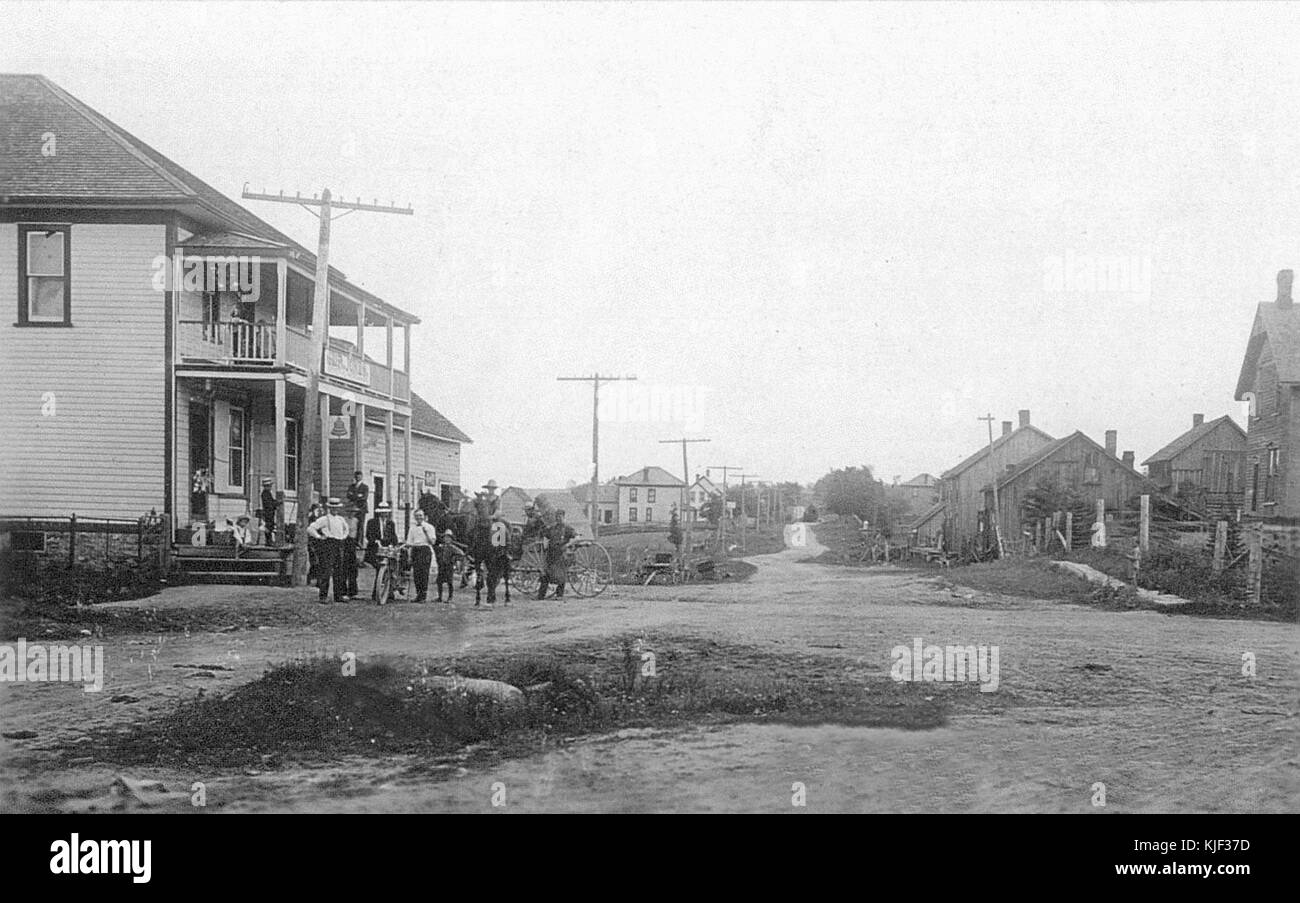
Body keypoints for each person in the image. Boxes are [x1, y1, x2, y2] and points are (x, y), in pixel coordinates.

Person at [307, 498, 351, 603]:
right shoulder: (324, 519)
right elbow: (310, 528)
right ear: (329, 508)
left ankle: (338, 595)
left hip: (339, 544)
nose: (335, 510)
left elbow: (346, 529)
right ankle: (323, 596)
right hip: (328, 545)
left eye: (336, 508)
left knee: (339, 571)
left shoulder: (341, 519)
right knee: (326, 571)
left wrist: (343, 537)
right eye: (332, 508)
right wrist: (319, 536)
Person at [537, 509, 577, 600]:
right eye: (557, 517)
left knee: (560, 575)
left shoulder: (568, 528)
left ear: (564, 517)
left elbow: (577, 537)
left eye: (560, 517)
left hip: (561, 554)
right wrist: (545, 545)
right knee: (545, 574)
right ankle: (540, 596)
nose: (558, 519)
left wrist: (567, 545)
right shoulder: (553, 528)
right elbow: (545, 536)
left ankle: (559, 595)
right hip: (551, 554)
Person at [404, 508, 439, 603]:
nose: (419, 517)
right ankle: (418, 595)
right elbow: (409, 542)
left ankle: (423, 596)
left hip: (425, 550)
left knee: (424, 573)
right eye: (417, 516)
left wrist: (426, 532)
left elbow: (432, 542)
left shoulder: (430, 527)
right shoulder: (412, 528)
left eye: (420, 515)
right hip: (415, 549)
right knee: (416, 573)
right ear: (414, 517)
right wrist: (410, 555)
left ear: (424, 516)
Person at [434, 528, 467, 603]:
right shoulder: (441, 547)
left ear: (451, 539)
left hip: (449, 566)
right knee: (439, 581)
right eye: (445, 537)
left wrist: (454, 558)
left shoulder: (453, 548)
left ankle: (450, 597)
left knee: (450, 582)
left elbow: (462, 554)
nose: (447, 539)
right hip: (442, 566)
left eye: (449, 537)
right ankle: (439, 597)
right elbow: (438, 555)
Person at [346, 471, 370, 538]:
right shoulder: (351, 486)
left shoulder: (365, 487)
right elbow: (348, 495)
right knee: (352, 524)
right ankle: (353, 541)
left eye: (359, 476)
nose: (358, 477)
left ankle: (359, 542)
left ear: (362, 477)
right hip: (352, 508)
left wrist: (354, 496)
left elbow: (364, 497)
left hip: (361, 508)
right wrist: (358, 495)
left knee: (360, 525)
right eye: (356, 476)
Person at [260, 477, 279, 544]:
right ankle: (268, 541)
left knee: (271, 526)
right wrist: (276, 503)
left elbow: (271, 501)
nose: (270, 487)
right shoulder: (265, 494)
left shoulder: (268, 493)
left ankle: (269, 541)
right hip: (268, 512)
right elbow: (269, 504)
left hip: (270, 512)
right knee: (268, 527)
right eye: (269, 486)